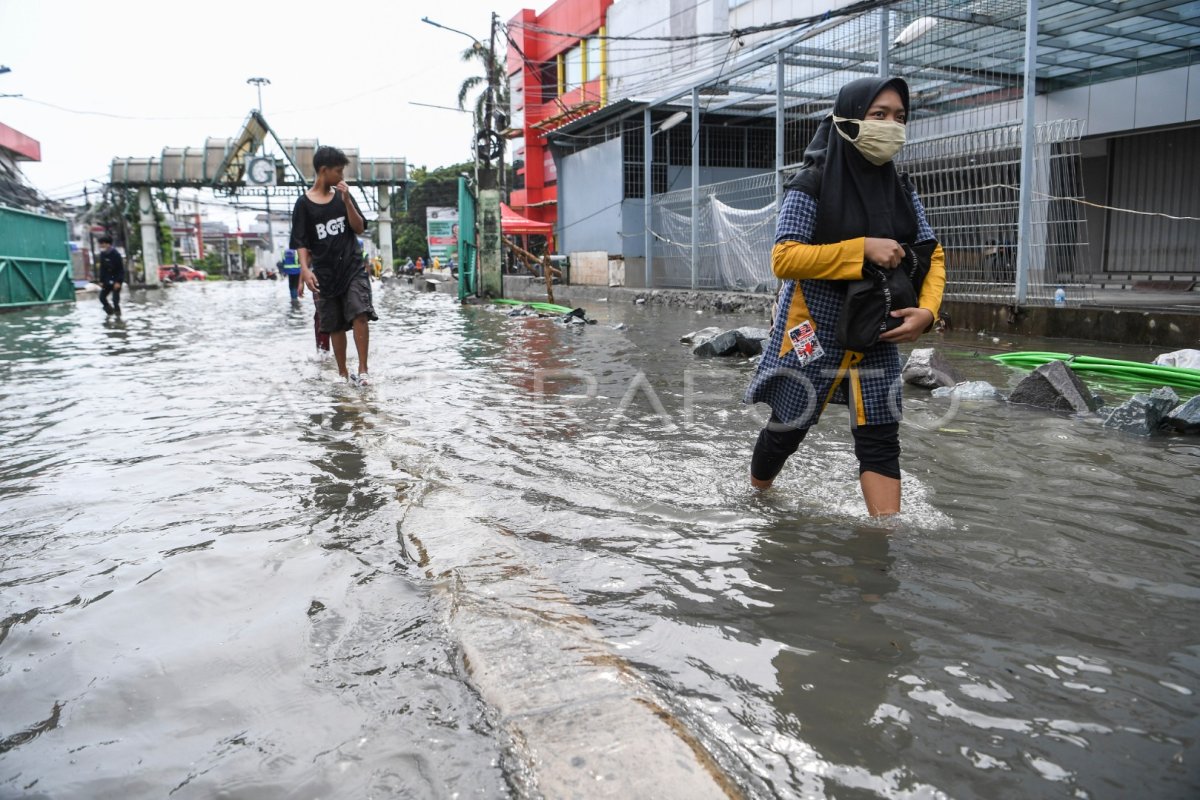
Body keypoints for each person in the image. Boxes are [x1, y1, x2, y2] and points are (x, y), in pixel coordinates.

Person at [743, 77, 946, 517]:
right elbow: (785, 257)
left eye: (900, 117)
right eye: (879, 116)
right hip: (809, 327)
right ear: (849, 121)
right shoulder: (811, 183)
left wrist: (928, 312)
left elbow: (933, 253)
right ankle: (757, 498)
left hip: (876, 329)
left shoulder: (903, 190)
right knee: (789, 425)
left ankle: (886, 540)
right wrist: (863, 248)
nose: (892, 126)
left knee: (880, 434)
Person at [290, 145, 374, 386]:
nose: (342, 177)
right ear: (323, 171)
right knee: (335, 324)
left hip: (352, 267)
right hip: (325, 274)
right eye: (338, 172)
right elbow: (301, 242)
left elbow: (359, 227)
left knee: (360, 312)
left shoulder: (343, 196)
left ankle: (363, 371)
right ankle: (342, 374)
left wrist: (347, 201)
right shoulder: (303, 205)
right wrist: (305, 270)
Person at [96, 235, 124, 317]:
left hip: (116, 280)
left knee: (115, 300)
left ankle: (118, 317)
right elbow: (102, 269)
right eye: (100, 244)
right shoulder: (102, 254)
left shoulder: (116, 254)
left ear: (108, 244)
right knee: (102, 297)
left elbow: (120, 269)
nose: (101, 245)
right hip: (106, 281)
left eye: (102, 243)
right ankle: (110, 312)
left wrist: (118, 282)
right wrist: (101, 281)